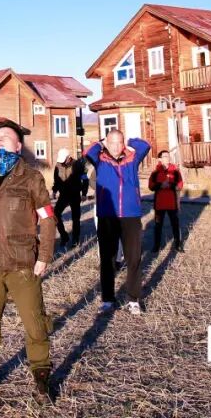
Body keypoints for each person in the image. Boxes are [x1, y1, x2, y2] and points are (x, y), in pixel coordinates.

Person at [0, 119, 55, 405]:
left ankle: (41, 378)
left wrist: (44, 256)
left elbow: (47, 218)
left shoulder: (31, 177)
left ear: (18, 146)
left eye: (6, 136)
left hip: (22, 264)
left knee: (35, 324)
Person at [84, 129, 151, 315]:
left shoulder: (132, 160)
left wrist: (128, 141)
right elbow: (88, 151)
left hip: (131, 215)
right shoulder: (100, 160)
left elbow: (145, 145)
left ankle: (133, 300)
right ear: (107, 143)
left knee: (134, 258)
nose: (115, 146)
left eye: (119, 142)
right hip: (108, 215)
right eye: (112, 142)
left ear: (123, 144)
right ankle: (107, 299)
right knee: (107, 259)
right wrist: (101, 142)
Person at [148, 150, 184, 252]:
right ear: (160, 159)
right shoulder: (155, 172)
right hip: (159, 204)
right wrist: (160, 185)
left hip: (172, 204)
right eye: (165, 156)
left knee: (175, 225)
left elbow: (180, 185)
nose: (167, 158)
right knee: (158, 225)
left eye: (168, 156)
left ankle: (178, 245)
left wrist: (170, 185)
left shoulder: (175, 171)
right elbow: (151, 186)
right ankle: (156, 246)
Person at [51, 148, 87, 249]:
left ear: (69, 157)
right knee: (55, 214)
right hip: (64, 195)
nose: (62, 162)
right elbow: (56, 180)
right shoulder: (58, 166)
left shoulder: (78, 165)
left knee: (76, 218)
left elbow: (85, 180)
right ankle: (64, 236)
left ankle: (75, 239)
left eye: (64, 160)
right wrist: (54, 190)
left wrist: (84, 193)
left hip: (75, 194)